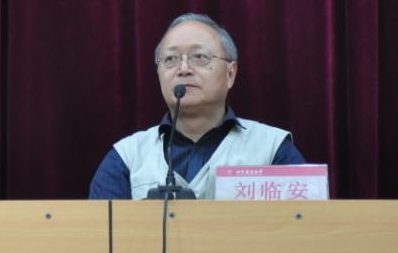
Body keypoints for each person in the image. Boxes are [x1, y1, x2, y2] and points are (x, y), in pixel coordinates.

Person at [89, 13, 304, 200]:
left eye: (199, 57)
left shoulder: (273, 150)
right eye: (171, 59)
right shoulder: (127, 157)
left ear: (230, 73)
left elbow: (306, 225)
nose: (183, 69)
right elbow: (100, 232)